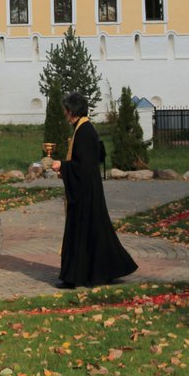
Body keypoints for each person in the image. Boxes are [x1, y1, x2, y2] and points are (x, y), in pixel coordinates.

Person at [51, 92, 138, 288]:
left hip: (85, 193)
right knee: (95, 233)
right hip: (87, 191)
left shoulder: (85, 131)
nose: (65, 114)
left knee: (85, 233)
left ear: (72, 110)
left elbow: (85, 166)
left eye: (66, 110)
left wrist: (62, 166)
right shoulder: (82, 129)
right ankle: (102, 271)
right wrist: (66, 169)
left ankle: (77, 276)